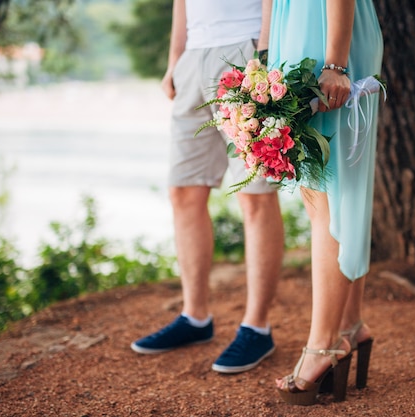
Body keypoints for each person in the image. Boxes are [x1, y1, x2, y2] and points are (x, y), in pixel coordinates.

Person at [130, 0, 284, 375]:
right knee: (183, 191)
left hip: (245, 48)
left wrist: (264, 50)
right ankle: (195, 317)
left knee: (255, 196)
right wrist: (174, 60)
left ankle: (257, 327)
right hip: (192, 58)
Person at [266, 0, 383, 405]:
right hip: (297, 31)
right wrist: (265, 58)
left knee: (327, 199)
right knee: (330, 195)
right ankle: (349, 325)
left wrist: (336, 63)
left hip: (325, 33)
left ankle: (322, 347)